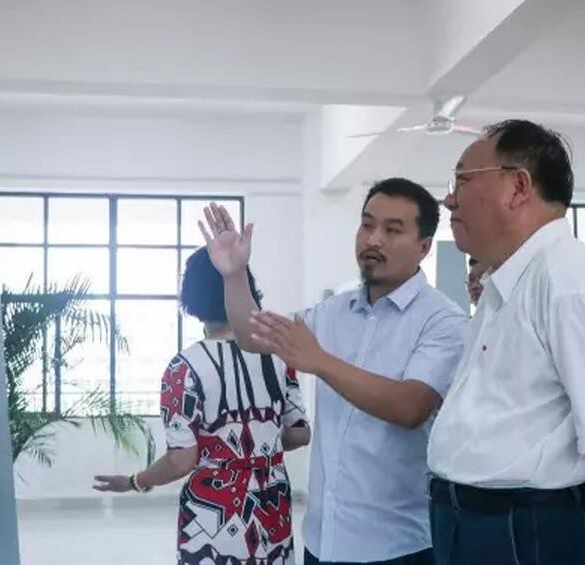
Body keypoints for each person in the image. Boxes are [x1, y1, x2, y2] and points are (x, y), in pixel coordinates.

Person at [200, 177, 468, 565]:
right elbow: (251, 335)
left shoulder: (442, 320)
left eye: (393, 230)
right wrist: (234, 275)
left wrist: (319, 360)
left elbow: (410, 406)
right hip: (323, 539)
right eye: (367, 224)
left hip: (396, 546)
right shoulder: (333, 312)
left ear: (424, 247)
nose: (374, 239)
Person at [427, 119, 585, 565]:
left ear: (518, 187)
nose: (449, 199)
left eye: (462, 180)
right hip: (472, 522)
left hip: (529, 529)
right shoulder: (507, 281)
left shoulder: (571, 278)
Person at [93, 247, 310, 565]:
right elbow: (299, 434)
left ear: (191, 298)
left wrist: (135, 481)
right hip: (271, 507)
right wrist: (261, 445)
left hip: (213, 515)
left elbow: (182, 460)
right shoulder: (277, 356)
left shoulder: (183, 369)